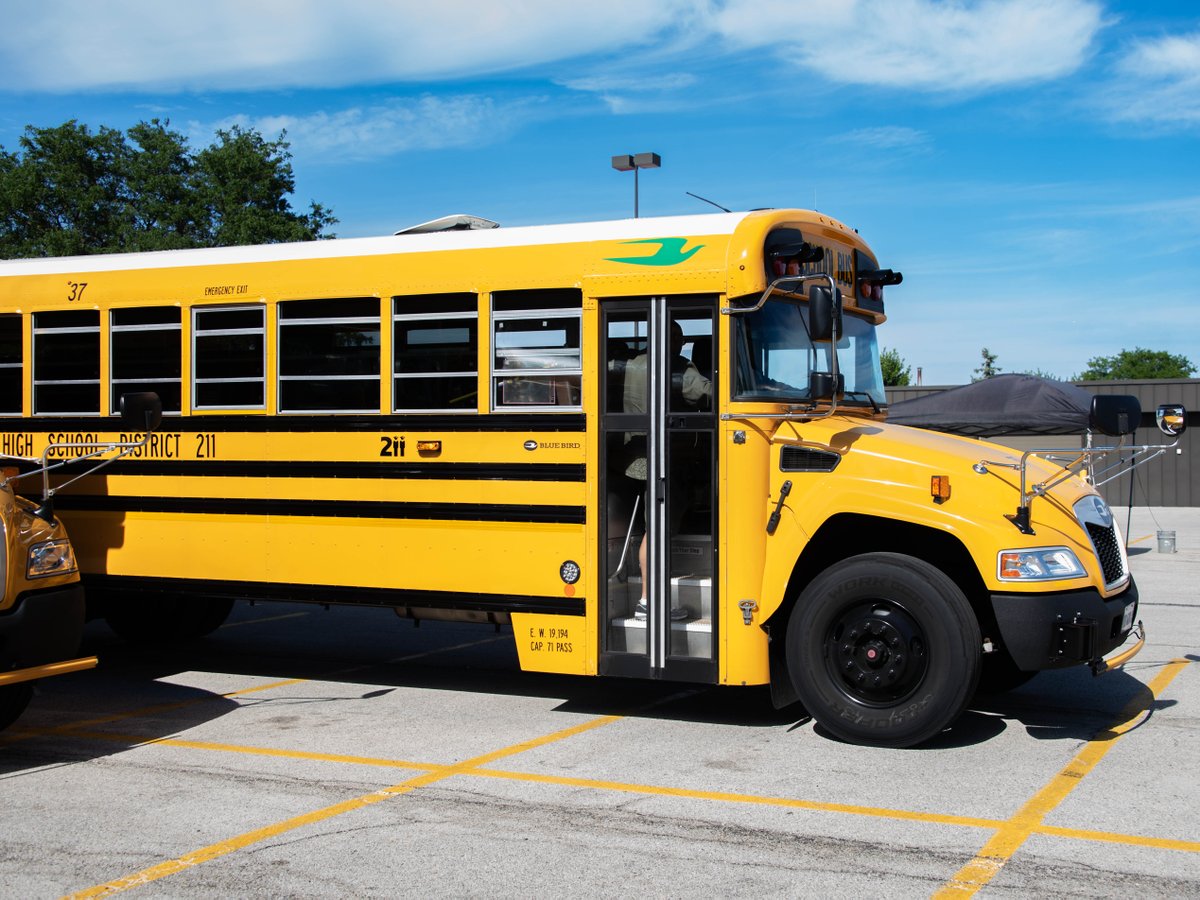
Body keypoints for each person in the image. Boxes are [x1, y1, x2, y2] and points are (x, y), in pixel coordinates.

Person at [622, 321, 711, 620]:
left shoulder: (631, 363)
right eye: (677, 338)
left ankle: (649, 598)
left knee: (654, 526)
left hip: (637, 456)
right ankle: (649, 601)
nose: (679, 344)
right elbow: (706, 393)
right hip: (663, 458)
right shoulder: (676, 367)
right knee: (658, 529)